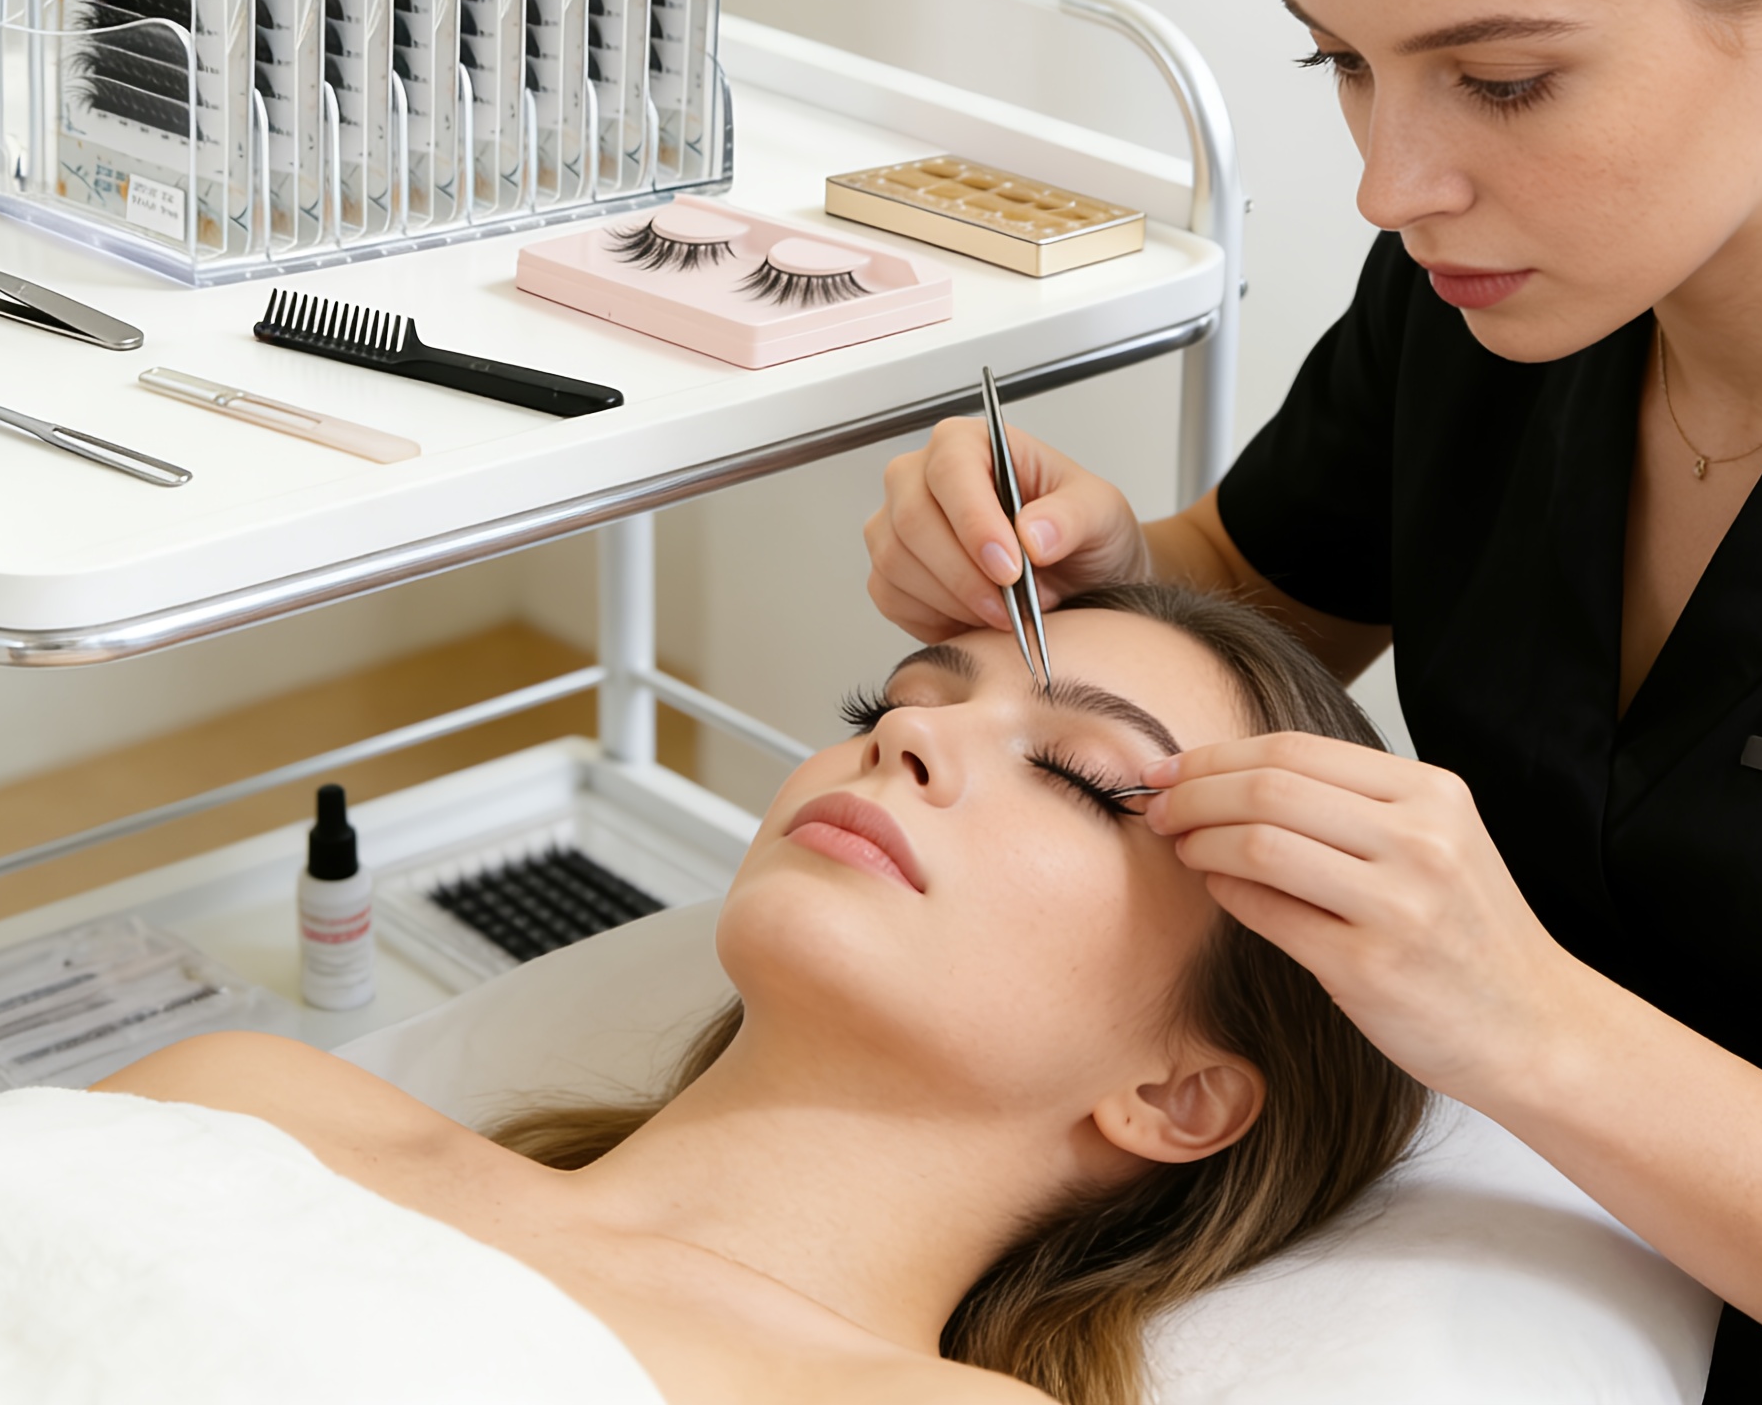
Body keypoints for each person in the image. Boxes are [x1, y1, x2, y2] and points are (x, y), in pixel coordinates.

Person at [864, 0, 1762, 1397]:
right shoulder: (1497, 298)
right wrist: (1101, 578)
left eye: (1505, 79)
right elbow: (1265, 585)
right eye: (1344, 61)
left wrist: (1519, 1019)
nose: (1392, 180)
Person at [102, 587, 1422, 1405]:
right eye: (886, 703)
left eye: (1079, 773)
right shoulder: (249, 1100)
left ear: (1178, 1096)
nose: (906, 732)